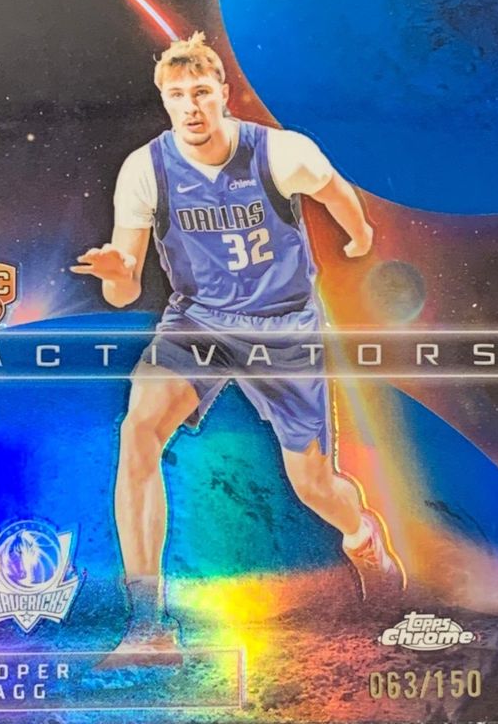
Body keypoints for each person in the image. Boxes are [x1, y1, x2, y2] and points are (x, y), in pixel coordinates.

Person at [71, 32, 404, 651]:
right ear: (165, 101)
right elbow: (124, 290)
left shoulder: (281, 152)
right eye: (177, 95)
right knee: (138, 430)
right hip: (200, 322)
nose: (191, 106)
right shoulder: (145, 170)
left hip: (283, 324)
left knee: (313, 485)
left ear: (223, 94)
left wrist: (358, 234)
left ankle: (363, 539)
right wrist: (117, 274)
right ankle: (148, 623)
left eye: (201, 92)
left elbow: (335, 191)